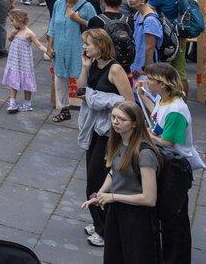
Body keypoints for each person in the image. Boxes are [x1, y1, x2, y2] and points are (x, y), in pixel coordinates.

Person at [139, 62, 204, 263]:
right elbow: (157, 117)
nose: (148, 82)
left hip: (175, 169)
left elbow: (167, 141)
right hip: (167, 164)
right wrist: (144, 98)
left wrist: (142, 134)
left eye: (151, 79)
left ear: (163, 84)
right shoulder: (164, 100)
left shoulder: (177, 109)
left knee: (175, 219)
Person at [83, 102, 160, 264]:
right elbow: (114, 171)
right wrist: (101, 193)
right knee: (112, 257)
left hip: (137, 218)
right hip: (116, 212)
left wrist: (113, 197)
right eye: (114, 117)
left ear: (135, 123)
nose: (115, 122)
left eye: (121, 119)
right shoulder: (117, 141)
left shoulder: (145, 154)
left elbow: (149, 198)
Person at [76, 28, 133, 248]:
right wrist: (85, 66)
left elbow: (129, 102)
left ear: (100, 45)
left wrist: (97, 99)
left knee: (97, 180)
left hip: (109, 133)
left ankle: (104, 230)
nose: (85, 48)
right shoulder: (93, 64)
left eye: (88, 44)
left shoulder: (115, 69)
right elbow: (82, 87)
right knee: (92, 177)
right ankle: (98, 221)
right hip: (93, 129)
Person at [46, 0, 97, 123]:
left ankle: (89, 109)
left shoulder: (87, 6)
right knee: (60, 78)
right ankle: (64, 109)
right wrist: (49, 46)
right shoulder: (58, 4)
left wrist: (79, 19)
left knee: (82, 80)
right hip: (60, 49)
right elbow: (52, 27)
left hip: (79, 48)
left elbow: (96, 28)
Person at [1, 7, 49, 112]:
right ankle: (12, 101)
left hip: (25, 62)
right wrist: (12, 34)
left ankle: (27, 103)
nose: (11, 23)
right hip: (14, 60)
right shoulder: (15, 31)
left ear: (19, 20)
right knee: (13, 81)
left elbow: (39, 45)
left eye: (12, 21)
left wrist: (48, 51)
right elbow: (10, 39)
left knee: (27, 82)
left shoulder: (29, 33)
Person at [126, 0, 163, 73]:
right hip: (136, 65)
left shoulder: (150, 20)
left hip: (145, 69)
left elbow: (150, 47)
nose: (129, 0)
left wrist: (146, 69)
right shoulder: (138, 14)